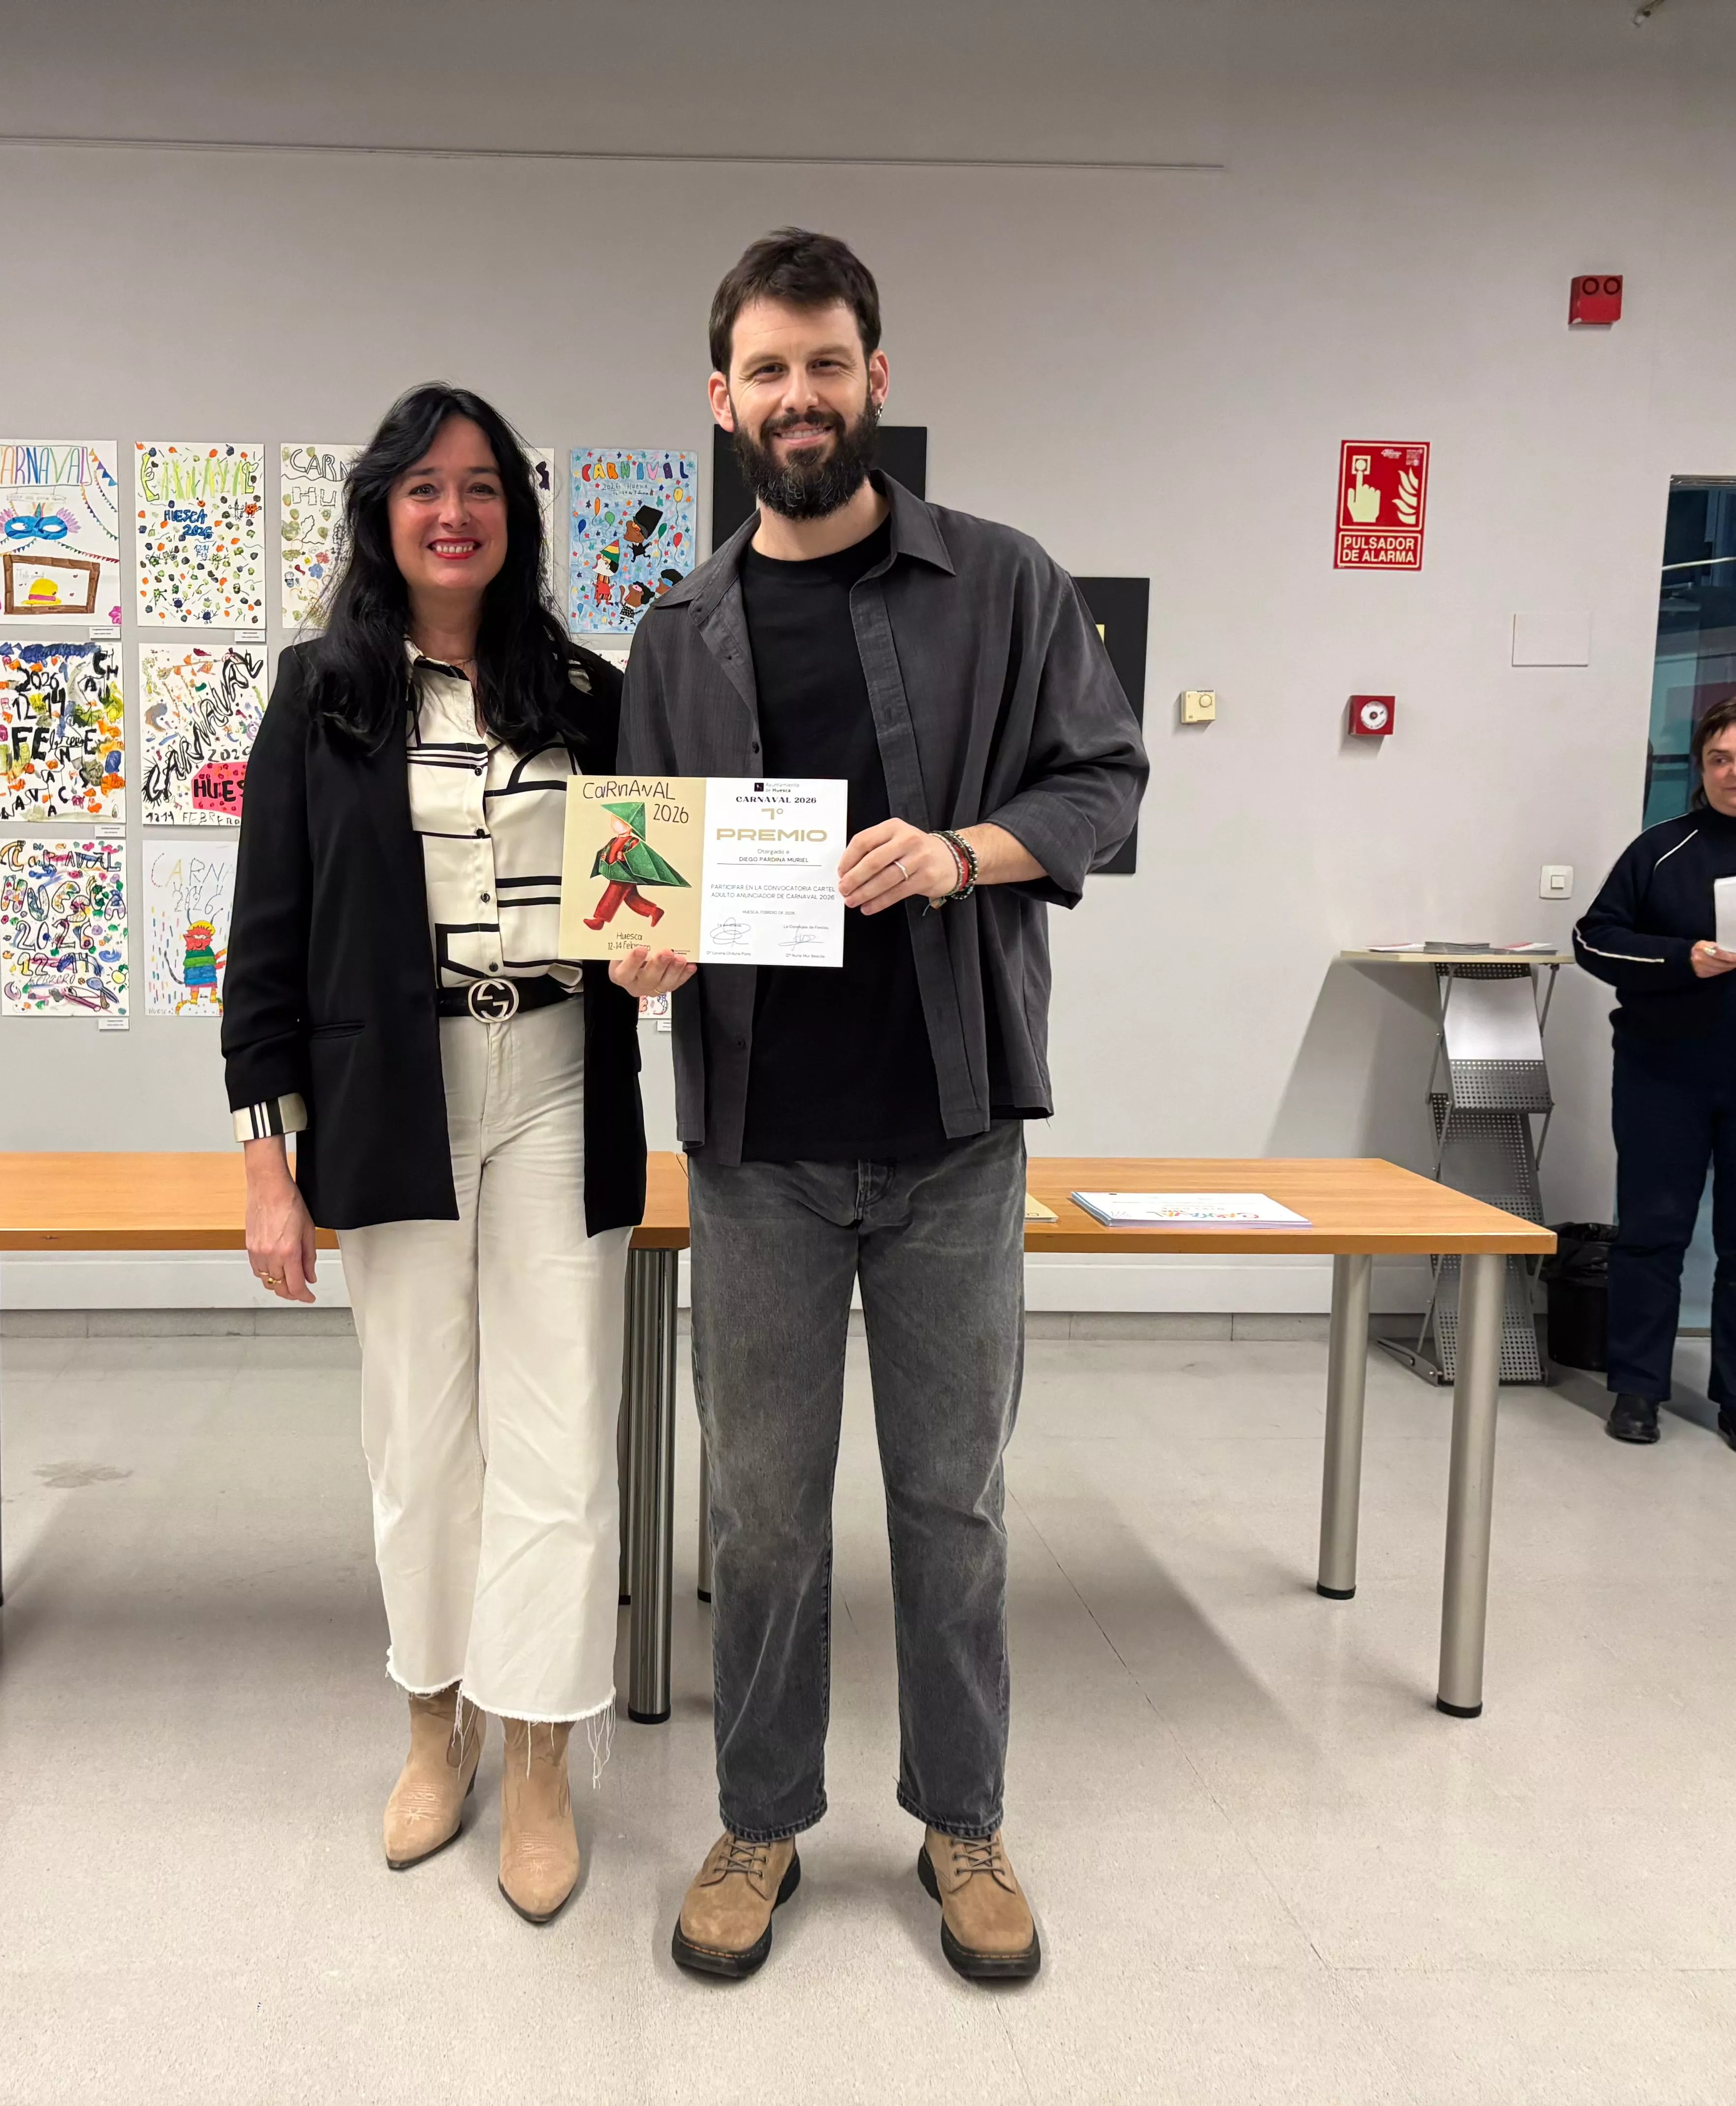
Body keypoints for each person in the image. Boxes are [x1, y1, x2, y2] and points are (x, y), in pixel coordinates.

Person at [612, 229, 1148, 1982]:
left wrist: (964, 851)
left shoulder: (999, 583)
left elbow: (1101, 777)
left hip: (950, 1139)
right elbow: (642, 866)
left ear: (874, 380)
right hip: (756, 1148)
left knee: (951, 1497)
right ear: (720, 399)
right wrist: (643, 951)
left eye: (824, 364)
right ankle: (760, 1818)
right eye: (764, 370)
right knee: (759, 1510)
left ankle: (960, 1816)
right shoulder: (673, 631)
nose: (796, 397)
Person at [225, 384, 645, 1923]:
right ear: (380, 515)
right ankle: (432, 1721)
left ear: (515, 517)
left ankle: (535, 1750)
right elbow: (263, 946)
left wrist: (666, 954)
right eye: (422, 487)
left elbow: (647, 896)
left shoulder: (595, 695)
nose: (452, 511)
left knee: (557, 1431)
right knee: (417, 1431)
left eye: (479, 486)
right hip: (388, 1093)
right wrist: (268, 1164)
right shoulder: (318, 695)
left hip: (556, 1074)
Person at [1572, 693, 1736, 1447]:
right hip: (1663, 1074)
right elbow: (1593, 941)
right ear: (1700, 769)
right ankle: (1637, 1391)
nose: (1732, 773)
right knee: (1652, 1234)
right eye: (1720, 760)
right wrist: (1683, 959)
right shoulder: (1660, 850)